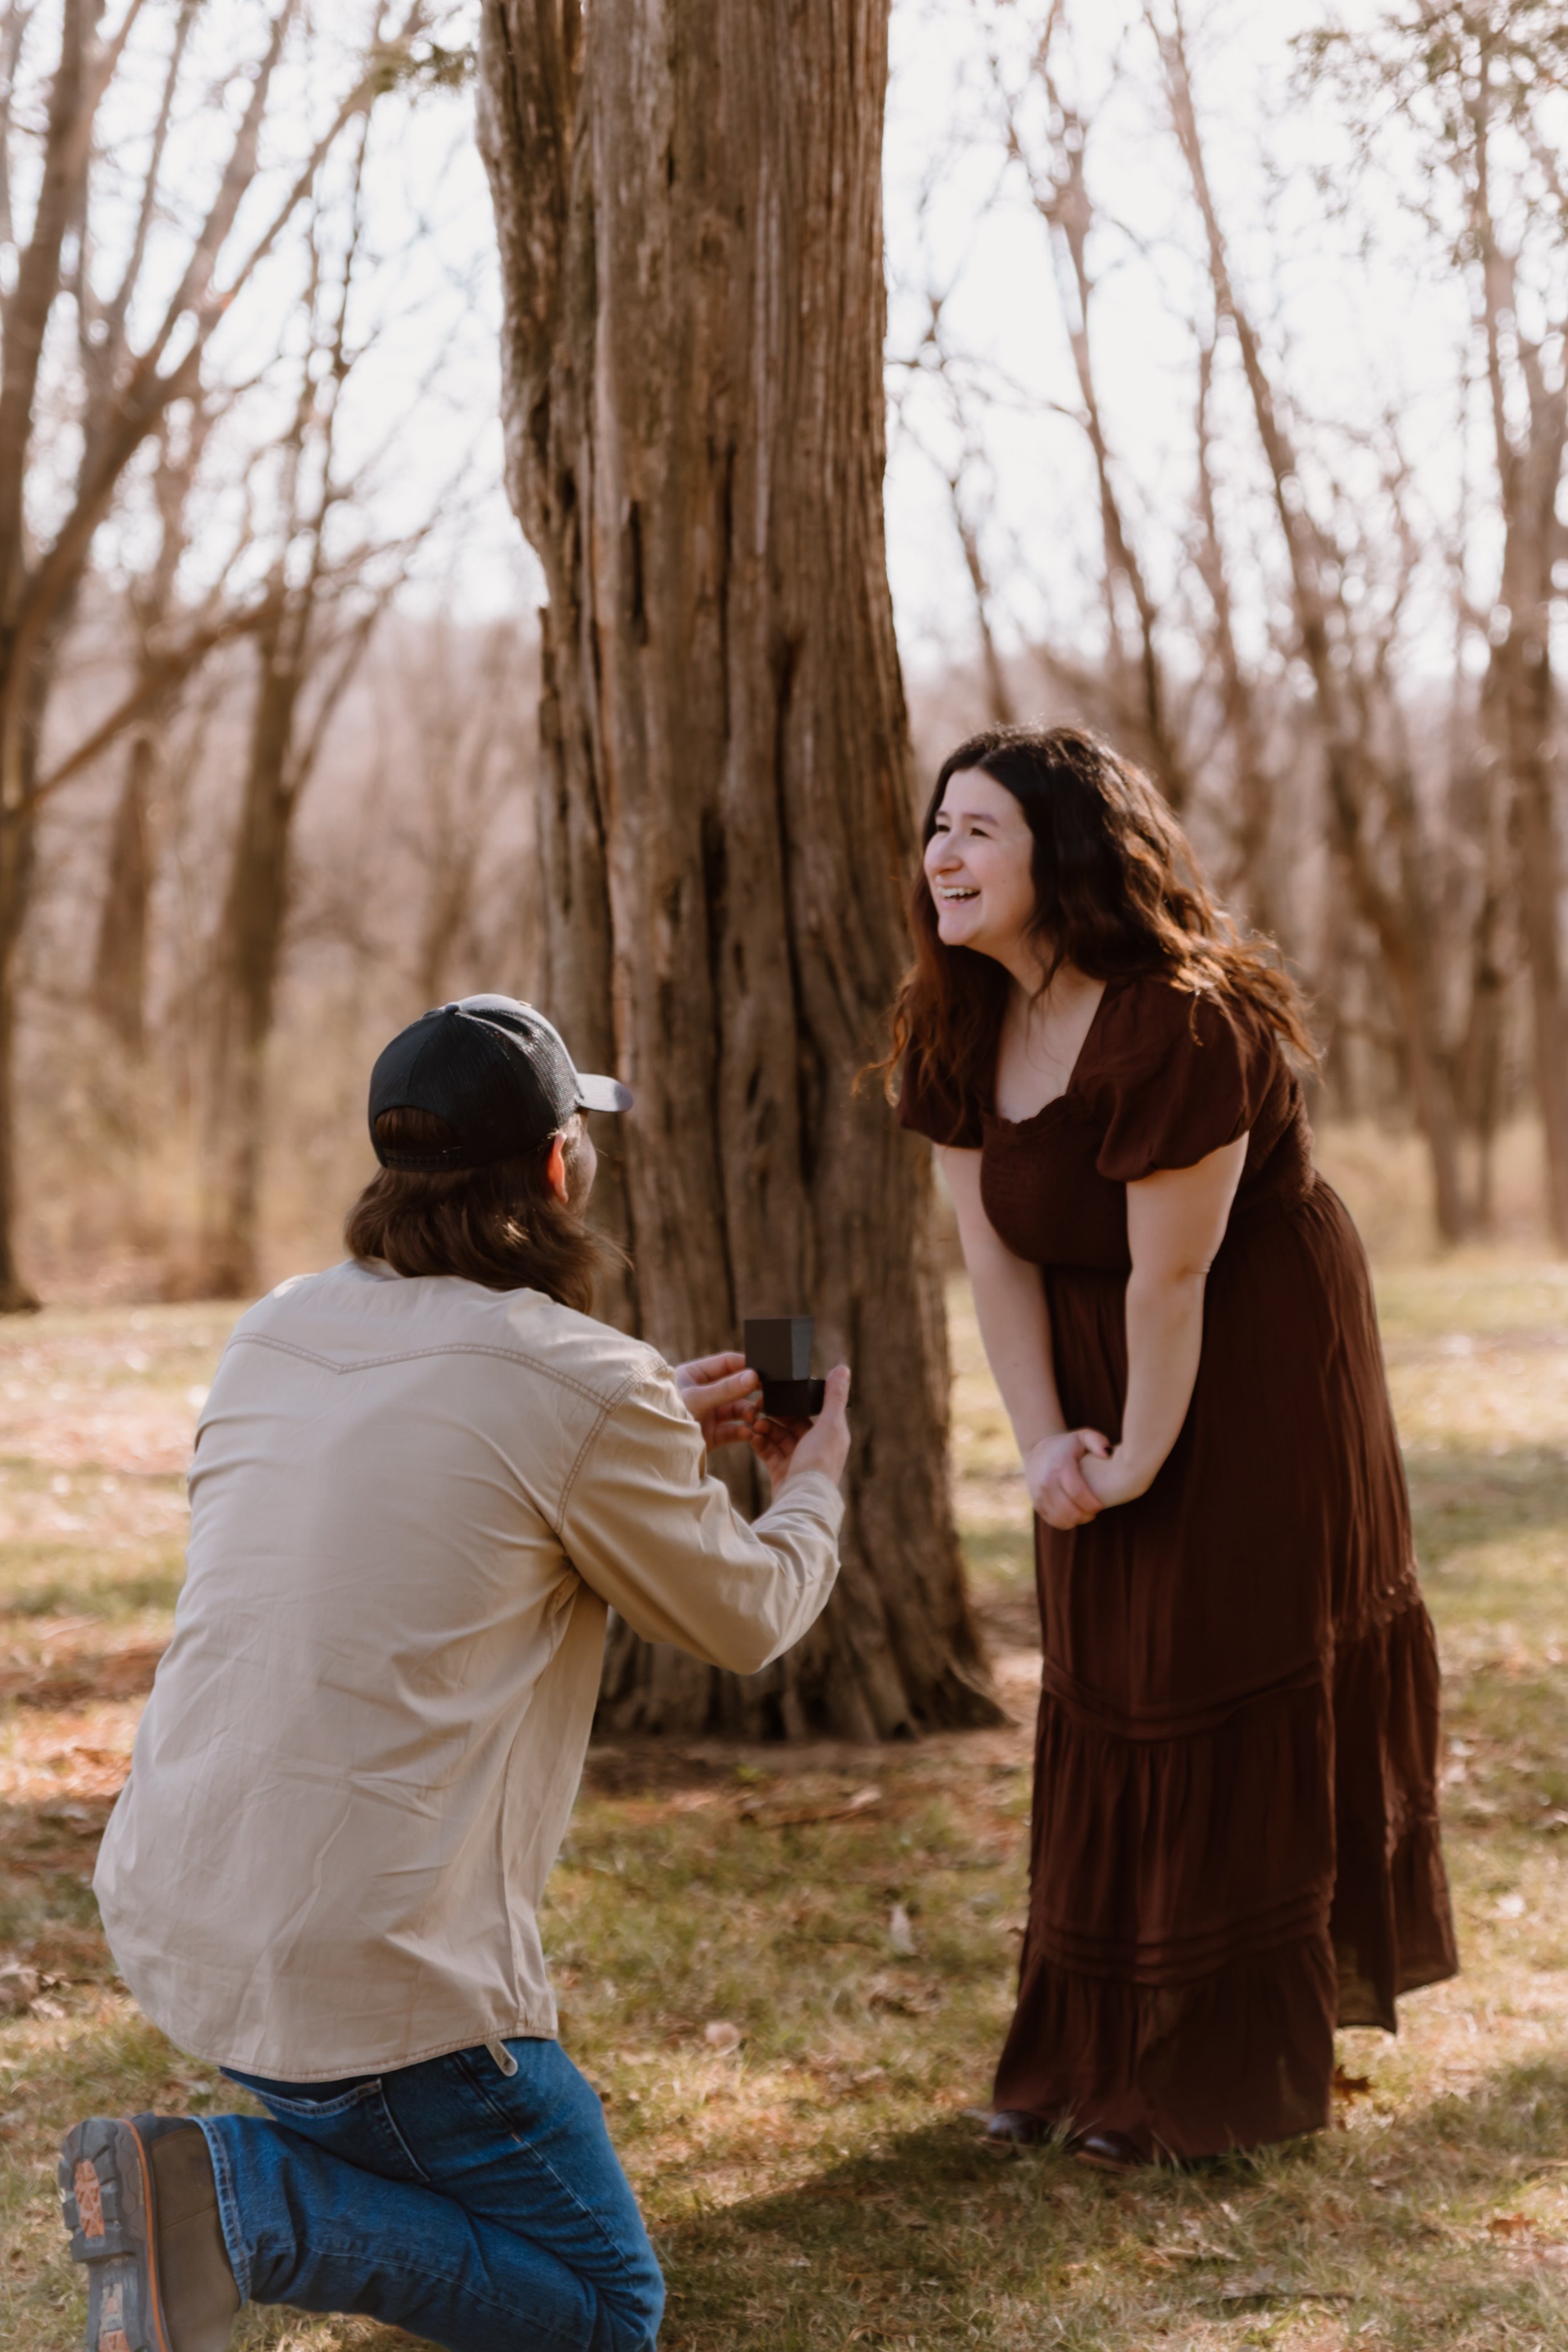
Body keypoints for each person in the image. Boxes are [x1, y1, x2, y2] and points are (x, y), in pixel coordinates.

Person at [60, 993, 851, 2352]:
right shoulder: (579, 1386)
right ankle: (231, 2196)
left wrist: (643, 1409)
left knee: (476, 2222)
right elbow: (746, 1616)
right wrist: (815, 1486)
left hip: (184, 1917)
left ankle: (256, 2184)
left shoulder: (274, 1328)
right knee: (604, 2306)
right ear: (557, 1168)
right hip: (372, 1982)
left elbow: (433, 1453)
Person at [887, 727, 1457, 2169]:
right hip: (1087, 1356)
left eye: (976, 832)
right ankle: (1081, 2047)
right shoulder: (954, 1017)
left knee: (1211, 1659)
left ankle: (1213, 2071)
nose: (940, 857)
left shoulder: (1176, 1023)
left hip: (1247, 1350)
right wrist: (1039, 1449)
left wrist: (1135, 1455)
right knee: (1107, 1676)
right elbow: (992, 1256)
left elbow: (1172, 1278)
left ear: (1061, 856)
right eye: (936, 829)